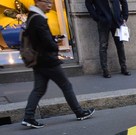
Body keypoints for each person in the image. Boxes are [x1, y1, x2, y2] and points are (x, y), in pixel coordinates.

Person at [22, 0, 95, 128]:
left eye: (51, 2)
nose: (50, 5)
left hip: (38, 61)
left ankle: (28, 117)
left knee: (38, 89)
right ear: (38, 2)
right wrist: (55, 46)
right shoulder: (38, 19)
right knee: (66, 85)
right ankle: (79, 112)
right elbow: (46, 40)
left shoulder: (32, 17)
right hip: (48, 61)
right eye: (47, 2)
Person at [85, 0, 130, 78]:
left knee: (120, 45)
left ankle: (124, 68)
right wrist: (96, 17)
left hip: (117, 22)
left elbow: (124, 2)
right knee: (103, 46)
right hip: (103, 22)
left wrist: (124, 16)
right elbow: (88, 3)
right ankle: (105, 70)